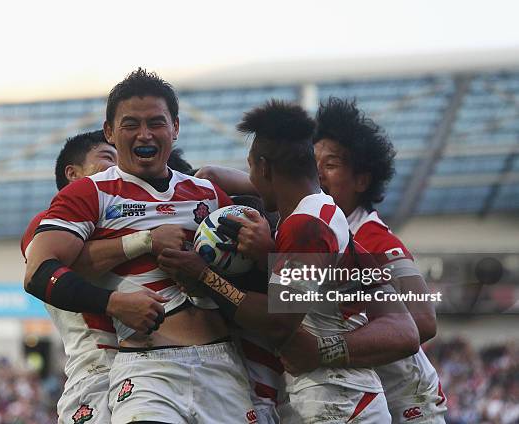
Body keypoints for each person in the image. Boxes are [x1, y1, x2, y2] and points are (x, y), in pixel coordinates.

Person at [159, 100, 419, 423]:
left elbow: (278, 320)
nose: (250, 176)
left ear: (265, 168)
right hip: (341, 402)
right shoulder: (322, 214)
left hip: (340, 405)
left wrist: (205, 277)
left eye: (251, 166)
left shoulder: (305, 227)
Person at [24, 68, 255, 424]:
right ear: (110, 132)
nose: (144, 134)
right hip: (148, 371)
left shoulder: (208, 195)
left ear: (175, 127)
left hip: (223, 367)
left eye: (155, 123)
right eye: (130, 124)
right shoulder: (90, 193)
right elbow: (39, 271)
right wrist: (113, 302)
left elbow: (257, 261)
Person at [313, 97, 446, 423]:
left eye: (330, 165)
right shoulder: (317, 234)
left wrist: (329, 348)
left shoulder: (373, 238)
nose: (317, 176)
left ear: (362, 180)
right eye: (310, 165)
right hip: (368, 401)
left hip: (409, 405)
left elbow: (424, 320)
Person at [21, 130, 119, 424]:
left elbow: (267, 309)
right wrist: (146, 240)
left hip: (212, 376)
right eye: (108, 158)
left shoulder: (260, 233)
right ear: (73, 174)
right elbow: (41, 272)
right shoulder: (47, 224)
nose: (118, 171)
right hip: (99, 372)